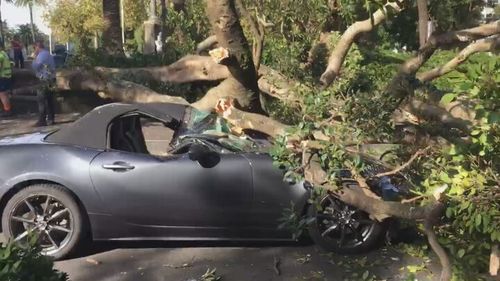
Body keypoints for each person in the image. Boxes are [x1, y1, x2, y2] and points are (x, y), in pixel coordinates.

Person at [32, 41, 56, 126]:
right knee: (50, 100)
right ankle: (51, 118)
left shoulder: (41, 55)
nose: (34, 50)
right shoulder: (48, 54)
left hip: (44, 80)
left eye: (34, 48)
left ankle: (42, 120)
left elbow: (35, 66)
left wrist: (34, 58)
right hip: (51, 79)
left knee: (41, 100)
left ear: (37, 47)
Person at [0, 40, 13, 117]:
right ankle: (6, 109)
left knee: (2, 95)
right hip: (7, 76)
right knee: (4, 94)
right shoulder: (4, 54)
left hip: (2, 77)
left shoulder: (0, 55)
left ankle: (7, 111)